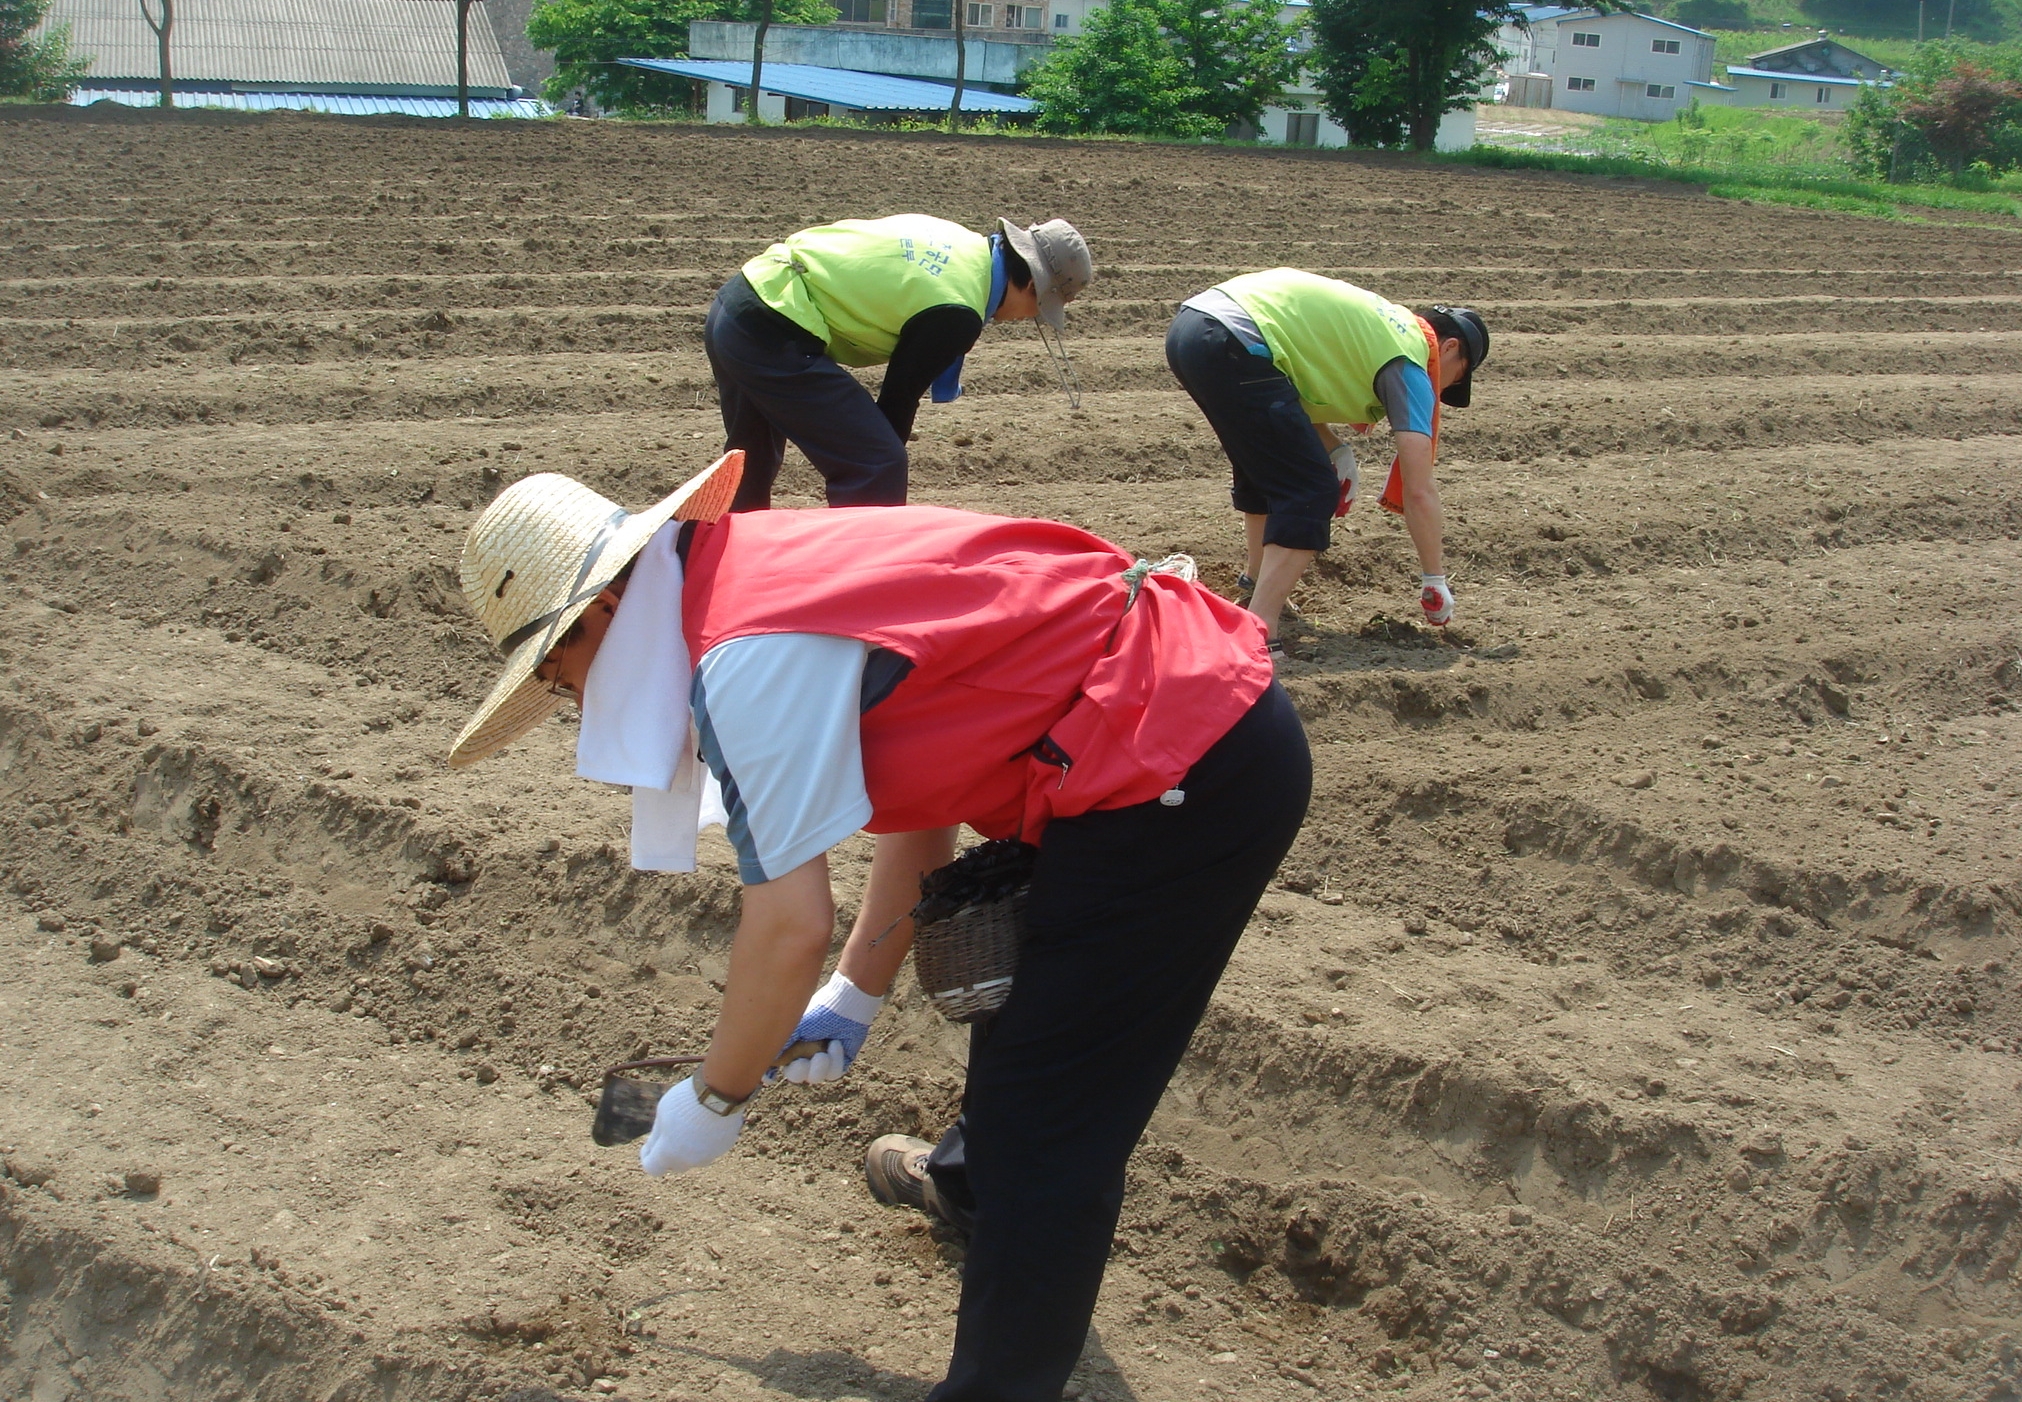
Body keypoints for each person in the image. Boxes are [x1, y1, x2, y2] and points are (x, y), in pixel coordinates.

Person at [447, 451, 1311, 1402]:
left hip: (1185, 758)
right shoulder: (740, 571)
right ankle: (973, 1185)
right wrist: (856, 996)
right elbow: (918, 793)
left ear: (600, 612)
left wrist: (717, 1099)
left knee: (1051, 1119)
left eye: (555, 666)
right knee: (1034, 1029)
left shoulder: (742, 659)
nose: (566, 696)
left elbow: (786, 924)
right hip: (1150, 725)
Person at [1164, 269, 1489, 652]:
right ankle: (1260, 632)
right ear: (1450, 349)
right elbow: (1419, 490)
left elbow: (1289, 385)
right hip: (1235, 339)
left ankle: (1256, 587)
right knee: (1311, 490)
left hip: (1195, 326)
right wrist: (1434, 577)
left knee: (1268, 468)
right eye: (1456, 378)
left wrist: (1335, 448)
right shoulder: (1409, 360)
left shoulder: (1382, 327)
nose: (1442, 388)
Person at [706, 213, 1093, 513]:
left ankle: (717, 568)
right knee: (878, 465)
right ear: (1030, 284)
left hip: (741, 300)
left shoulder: (963, 246)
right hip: (771, 329)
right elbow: (896, 404)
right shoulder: (959, 311)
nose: (1029, 318)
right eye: (1039, 308)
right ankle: (856, 588)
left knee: (749, 462)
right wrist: (881, 463)